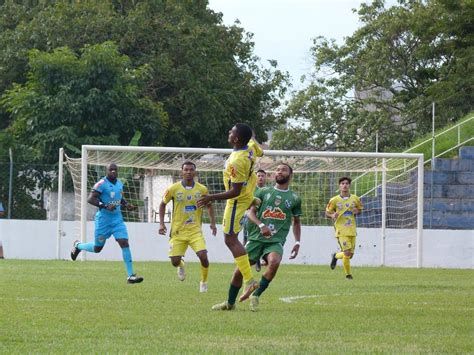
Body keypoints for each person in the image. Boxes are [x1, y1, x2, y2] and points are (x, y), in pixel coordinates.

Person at [212, 163, 302, 311]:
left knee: (274, 262)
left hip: (275, 240)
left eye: (283, 170)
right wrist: (261, 225)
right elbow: (250, 213)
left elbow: (296, 222)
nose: (279, 172)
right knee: (238, 272)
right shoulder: (263, 192)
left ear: (290, 175)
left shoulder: (295, 198)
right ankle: (229, 303)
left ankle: (256, 295)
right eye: (277, 170)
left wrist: (297, 242)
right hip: (255, 238)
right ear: (273, 175)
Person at [197, 123, 263, 302]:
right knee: (231, 238)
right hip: (248, 193)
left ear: (237, 138)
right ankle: (247, 281)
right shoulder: (250, 146)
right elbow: (260, 151)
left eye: (232, 131)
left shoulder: (237, 161)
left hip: (236, 201)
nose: (229, 132)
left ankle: (249, 281)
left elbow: (235, 191)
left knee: (230, 239)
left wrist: (211, 197)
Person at [70, 163, 143, 284]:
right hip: (103, 221)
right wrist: (104, 206)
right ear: (107, 171)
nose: (113, 171)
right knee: (97, 248)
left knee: (124, 243)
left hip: (117, 220)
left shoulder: (119, 183)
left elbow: (119, 198)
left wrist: (126, 205)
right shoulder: (101, 184)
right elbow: (91, 199)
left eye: (115, 170)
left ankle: (131, 276)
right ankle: (78, 246)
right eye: (111, 170)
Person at [158, 161, 217, 293]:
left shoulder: (202, 189)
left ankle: (203, 282)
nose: (189, 172)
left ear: (195, 172)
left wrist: (213, 223)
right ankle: (181, 265)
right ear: (182, 172)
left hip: (195, 230)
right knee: (174, 261)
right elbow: (162, 204)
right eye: (186, 170)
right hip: (178, 231)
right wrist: (162, 223)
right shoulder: (173, 189)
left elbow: (209, 206)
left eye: (191, 170)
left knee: (203, 256)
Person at [325, 176, 363, 280]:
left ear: (349, 185)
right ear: (339, 186)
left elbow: (360, 210)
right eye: (342, 183)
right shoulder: (334, 200)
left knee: (349, 255)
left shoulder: (355, 198)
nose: (344, 185)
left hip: (352, 229)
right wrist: (332, 215)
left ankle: (336, 256)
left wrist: (357, 211)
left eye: (346, 183)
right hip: (341, 230)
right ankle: (348, 275)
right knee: (347, 253)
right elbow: (327, 212)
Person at [242, 169, 267, 270]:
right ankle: (249, 260)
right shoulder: (251, 189)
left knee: (261, 239)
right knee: (247, 239)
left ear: (265, 177)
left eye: (262, 176)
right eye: (259, 176)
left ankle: (260, 259)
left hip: (262, 219)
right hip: (250, 218)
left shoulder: (268, 191)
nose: (260, 177)